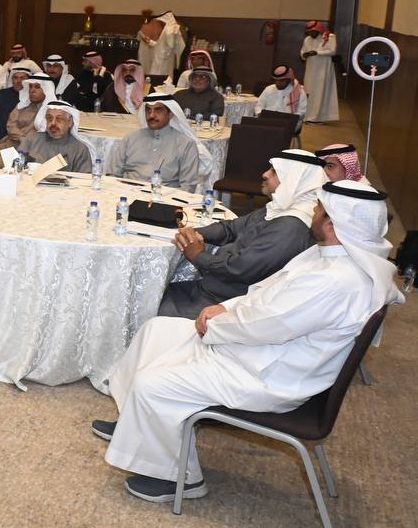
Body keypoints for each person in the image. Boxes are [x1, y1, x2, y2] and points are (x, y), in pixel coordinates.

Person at [94, 181, 404, 504]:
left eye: (319, 208)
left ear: (331, 223)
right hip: (265, 348)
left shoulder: (336, 280)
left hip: (271, 374)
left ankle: (180, 478)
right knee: (155, 331)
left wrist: (215, 326)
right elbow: (264, 294)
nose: (312, 210)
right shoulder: (328, 256)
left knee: (153, 385)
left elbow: (269, 324)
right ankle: (135, 424)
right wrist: (224, 308)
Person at [159, 150, 325, 318]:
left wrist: (197, 256)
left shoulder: (291, 227)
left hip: (226, 303)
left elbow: (238, 268)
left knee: (153, 306)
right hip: (214, 288)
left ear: (294, 180)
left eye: (274, 171)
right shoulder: (282, 207)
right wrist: (193, 233)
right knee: (156, 292)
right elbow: (232, 228)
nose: (265, 174)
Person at [106, 94, 202, 188]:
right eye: (148, 110)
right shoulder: (130, 139)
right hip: (127, 192)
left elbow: (188, 186)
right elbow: (112, 174)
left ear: (170, 114)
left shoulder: (186, 144)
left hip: (163, 195)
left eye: (158, 110)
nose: (151, 115)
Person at [17, 100, 95, 173]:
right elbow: (16, 167)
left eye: (59, 119)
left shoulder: (80, 149)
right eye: (49, 118)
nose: (53, 123)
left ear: (70, 122)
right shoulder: (32, 139)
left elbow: (84, 179)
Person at [0, 73, 54, 153]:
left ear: (47, 90)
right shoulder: (22, 105)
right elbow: (11, 125)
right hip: (11, 144)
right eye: (30, 86)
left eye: (37, 87)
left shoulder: (52, 111)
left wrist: (27, 142)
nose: (32, 90)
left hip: (34, 150)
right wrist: (22, 138)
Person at [0, 66, 31, 144]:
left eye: (22, 78)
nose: (18, 81)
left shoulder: (32, 97)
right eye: (15, 78)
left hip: (17, 140)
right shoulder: (1, 94)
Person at [301, 22, 339, 123]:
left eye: (313, 31)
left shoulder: (329, 37)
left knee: (320, 92)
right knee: (309, 91)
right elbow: (302, 51)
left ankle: (317, 117)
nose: (311, 34)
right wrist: (303, 55)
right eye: (309, 32)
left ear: (319, 30)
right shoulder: (307, 39)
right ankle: (308, 114)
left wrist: (317, 52)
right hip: (310, 69)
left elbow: (332, 51)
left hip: (323, 69)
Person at [137, 11, 185, 77]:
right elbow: (160, 44)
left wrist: (162, 53)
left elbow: (170, 46)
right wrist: (150, 42)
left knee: (161, 76)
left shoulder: (171, 29)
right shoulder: (167, 28)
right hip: (159, 57)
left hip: (164, 59)